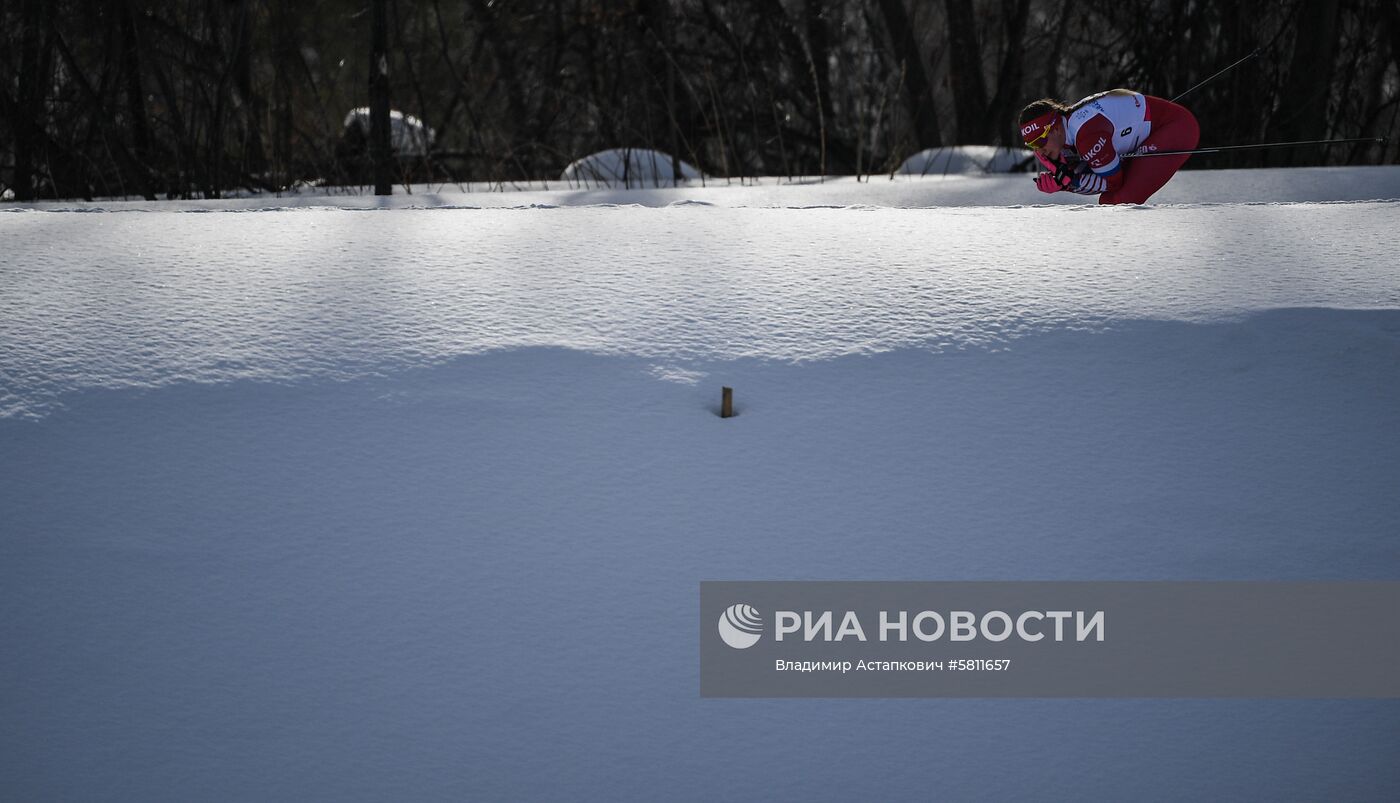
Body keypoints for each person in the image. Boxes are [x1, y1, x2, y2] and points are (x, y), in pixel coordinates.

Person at [1018, 89, 1199, 204]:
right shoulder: (1066, 136)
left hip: (1176, 127)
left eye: (1040, 141)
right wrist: (1065, 182)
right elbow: (1097, 180)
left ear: (1056, 128)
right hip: (1145, 134)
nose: (1038, 150)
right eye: (1032, 145)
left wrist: (1070, 181)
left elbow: (1112, 184)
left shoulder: (1085, 135)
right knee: (1110, 202)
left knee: (1119, 201)